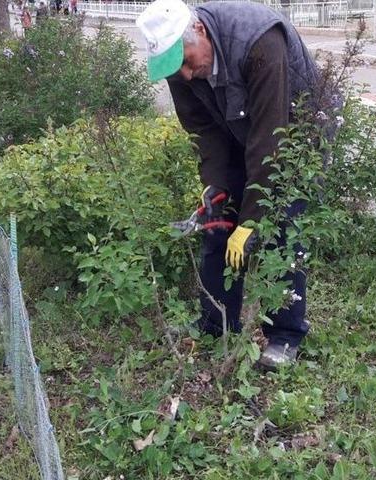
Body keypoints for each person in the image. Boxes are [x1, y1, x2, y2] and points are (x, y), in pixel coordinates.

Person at [137, 0, 321, 370]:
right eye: (174, 67)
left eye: (185, 61)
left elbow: (270, 140)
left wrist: (251, 221)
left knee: (281, 225)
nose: (184, 74)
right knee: (218, 220)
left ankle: (285, 335)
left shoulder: (259, 42)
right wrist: (216, 188)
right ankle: (216, 324)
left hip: (295, 134)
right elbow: (203, 131)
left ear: (199, 31)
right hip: (239, 130)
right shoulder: (181, 68)